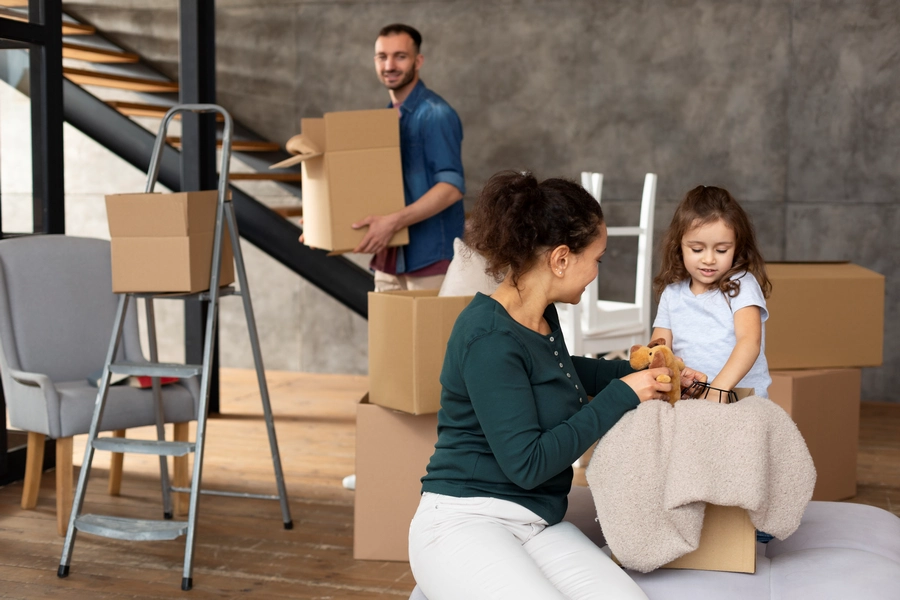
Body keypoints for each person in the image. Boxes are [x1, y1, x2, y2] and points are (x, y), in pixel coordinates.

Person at [407, 171, 706, 600]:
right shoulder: (488, 337)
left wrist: (650, 374)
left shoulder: (542, 317)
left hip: (536, 521)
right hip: (465, 517)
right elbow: (528, 463)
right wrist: (625, 395)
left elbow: (564, 370)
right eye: (596, 259)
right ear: (562, 259)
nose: (596, 273)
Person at [352, 23, 466, 293]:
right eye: (382, 56)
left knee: (431, 338)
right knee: (386, 337)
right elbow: (376, 187)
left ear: (418, 61)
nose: (389, 65)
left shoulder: (436, 114)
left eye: (400, 56)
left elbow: (451, 188)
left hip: (429, 260)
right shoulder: (385, 118)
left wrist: (392, 222)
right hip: (388, 260)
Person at [651, 185, 772, 398]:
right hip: (689, 399)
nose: (709, 259)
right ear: (679, 246)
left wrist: (717, 390)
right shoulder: (672, 294)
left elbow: (749, 342)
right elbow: (660, 351)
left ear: (737, 247)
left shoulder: (742, 284)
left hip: (739, 397)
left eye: (721, 250)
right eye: (697, 249)